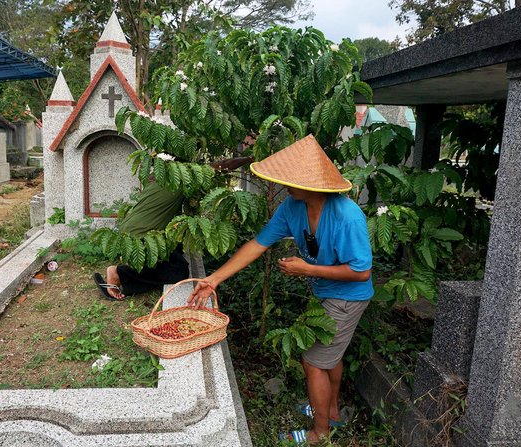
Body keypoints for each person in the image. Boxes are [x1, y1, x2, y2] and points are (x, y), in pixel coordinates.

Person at [187, 135, 373, 445]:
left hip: (347, 298)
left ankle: (320, 433)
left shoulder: (347, 216)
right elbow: (258, 244)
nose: (284, 184)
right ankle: (332, 412)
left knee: (313, 361)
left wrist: (307, 269)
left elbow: (361, 271)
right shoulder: (292, 206)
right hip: (326, 293)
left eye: (291, 180)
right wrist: (214, 279)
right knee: (331, 355)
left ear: (313, 184)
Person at [94, 156, 253, 300]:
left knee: (176, 248)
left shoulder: (158, 180)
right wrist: (250, 158)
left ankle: (130, 269)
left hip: (130, 232)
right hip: (139, 238)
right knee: (179, 273)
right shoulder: (183, 179)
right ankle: (120, 273)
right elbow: (224, 165)